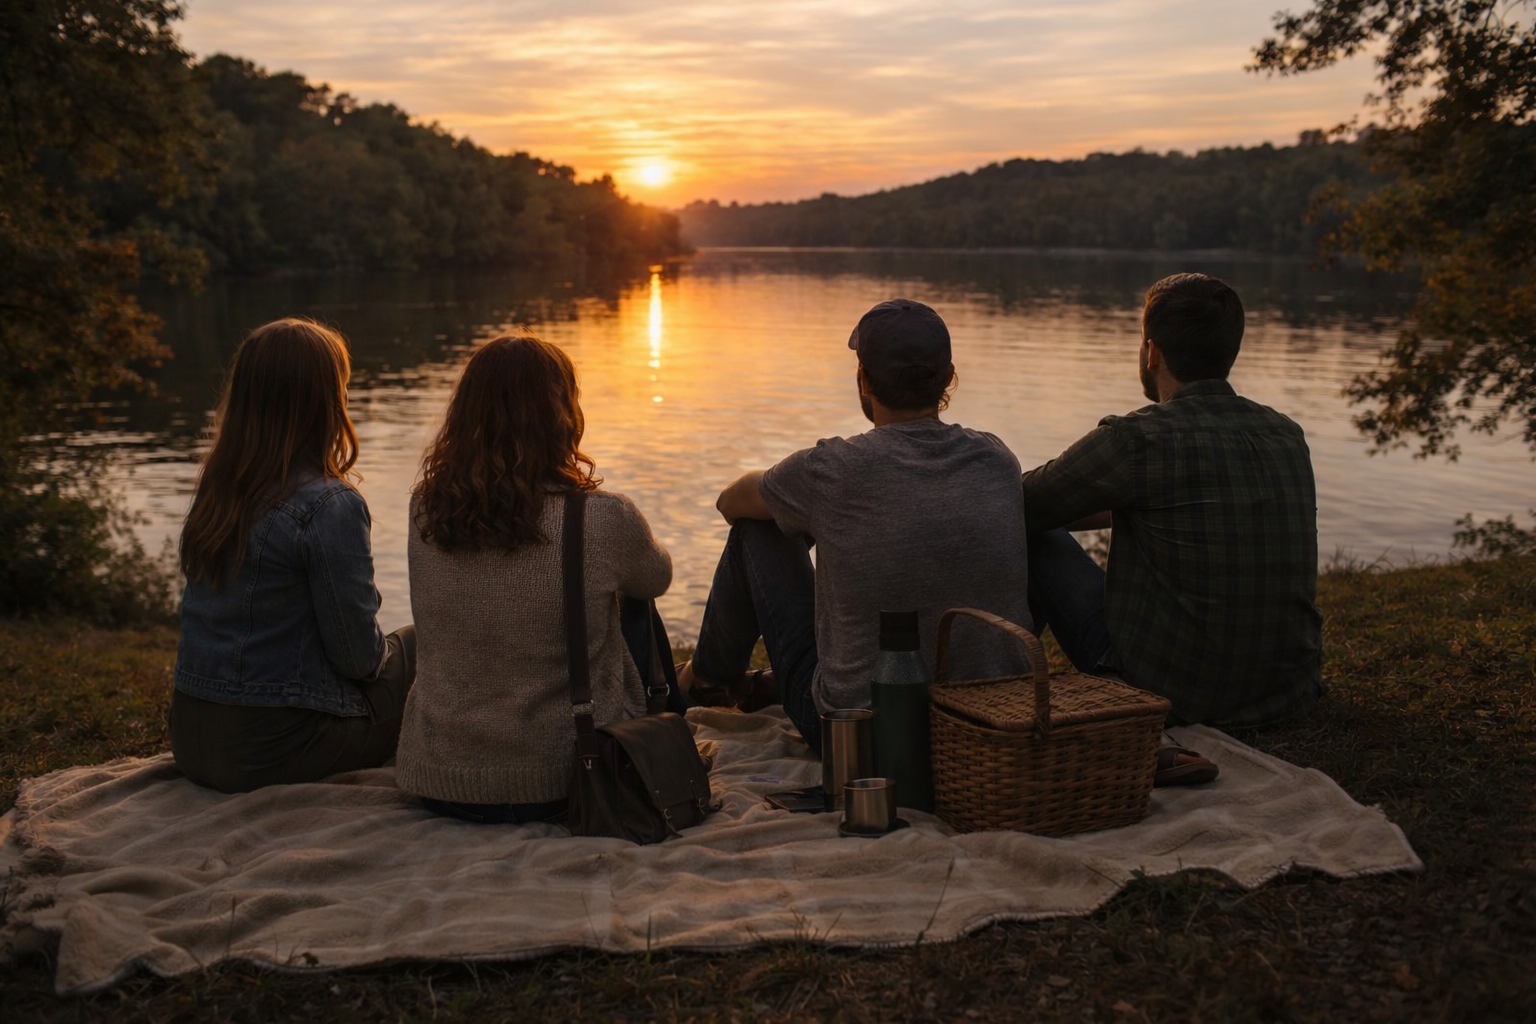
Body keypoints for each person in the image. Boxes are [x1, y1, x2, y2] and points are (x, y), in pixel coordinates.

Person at [676, 298, 1034, 753]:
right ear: (948, 378)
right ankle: (733, 682)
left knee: (756, 529)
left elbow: (731, 502)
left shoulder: (832, 469)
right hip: (986, 720)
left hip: (855, 731)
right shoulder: (996, 458)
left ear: (863, 379)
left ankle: (708, 679)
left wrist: (806, 519)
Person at [1022, 272, 1323, 746]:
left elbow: (1018, 504)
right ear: (1231, 350)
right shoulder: (1286, 434)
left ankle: (995, 686)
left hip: (1173, 696)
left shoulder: (1137, 440)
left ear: (1152, 352)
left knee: (1037, 536)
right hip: (1287, 692)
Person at [395, 334, 678, 825]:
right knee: (637, 597)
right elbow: (658, 577)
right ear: (563, 414)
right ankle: (670, 732)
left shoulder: (426, 506)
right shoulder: (603, 516)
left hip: (440, 781)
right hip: (571, 777)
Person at [171, 317, 415, 792]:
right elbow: (358, 660)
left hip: (192, 739)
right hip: (274, 750)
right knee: (418, 648)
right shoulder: (329, 505)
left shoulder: (218, 490)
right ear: (325, 403)